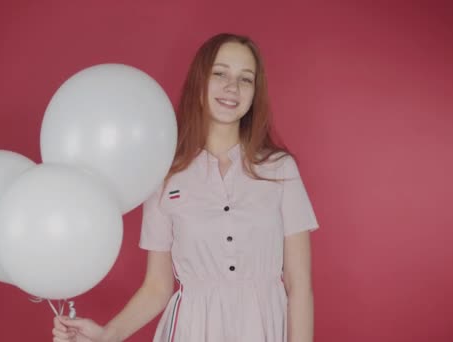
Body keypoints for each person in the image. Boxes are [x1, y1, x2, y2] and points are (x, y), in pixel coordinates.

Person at [52, 32, 319, 342]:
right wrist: (107, 335)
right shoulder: (166, 174)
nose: (232, 87)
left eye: (245, 79)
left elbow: (299, 285)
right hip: (194, 329)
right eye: (220, 73)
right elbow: (157, 286)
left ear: (254, 92)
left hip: (264, 326)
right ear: (200, 83)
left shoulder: (279, 168)